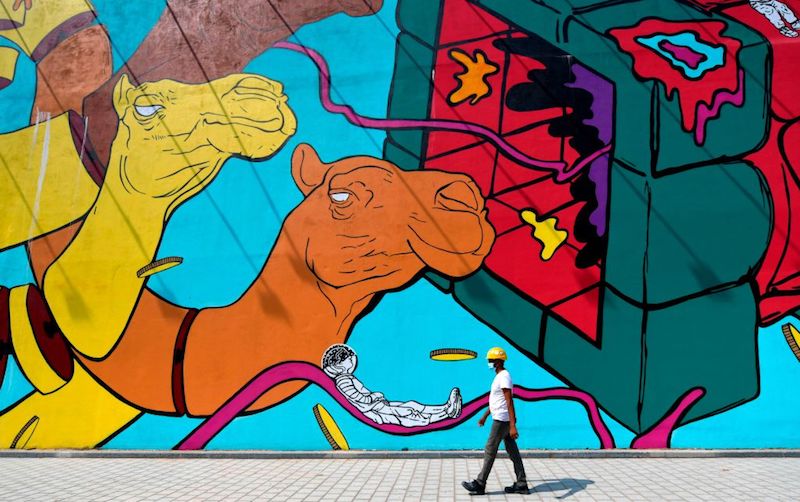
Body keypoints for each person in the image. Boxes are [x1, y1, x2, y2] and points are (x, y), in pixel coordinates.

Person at [321, 344, 462, 427]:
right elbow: (358, 398)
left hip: (380, 406)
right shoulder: (343, 381)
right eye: (348, 358)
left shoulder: (346, 378)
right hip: (376, 411)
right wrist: (374, 396)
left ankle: (446, 408)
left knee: (412, 405)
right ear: (337, 365)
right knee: (411, 414)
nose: (352, 360)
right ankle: (446, 413)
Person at [462, 347, 528, 495]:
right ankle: (522, 483)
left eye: (491, 360)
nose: (489, 363)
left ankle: (480, 483)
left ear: (498, 361)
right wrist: (485, 416)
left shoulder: (504, 376)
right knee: (514, 453)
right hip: (502, 418)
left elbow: (508, 400)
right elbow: (497, 401)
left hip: (502, 421)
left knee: (490, 449)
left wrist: (512, 425)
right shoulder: (499, 376)